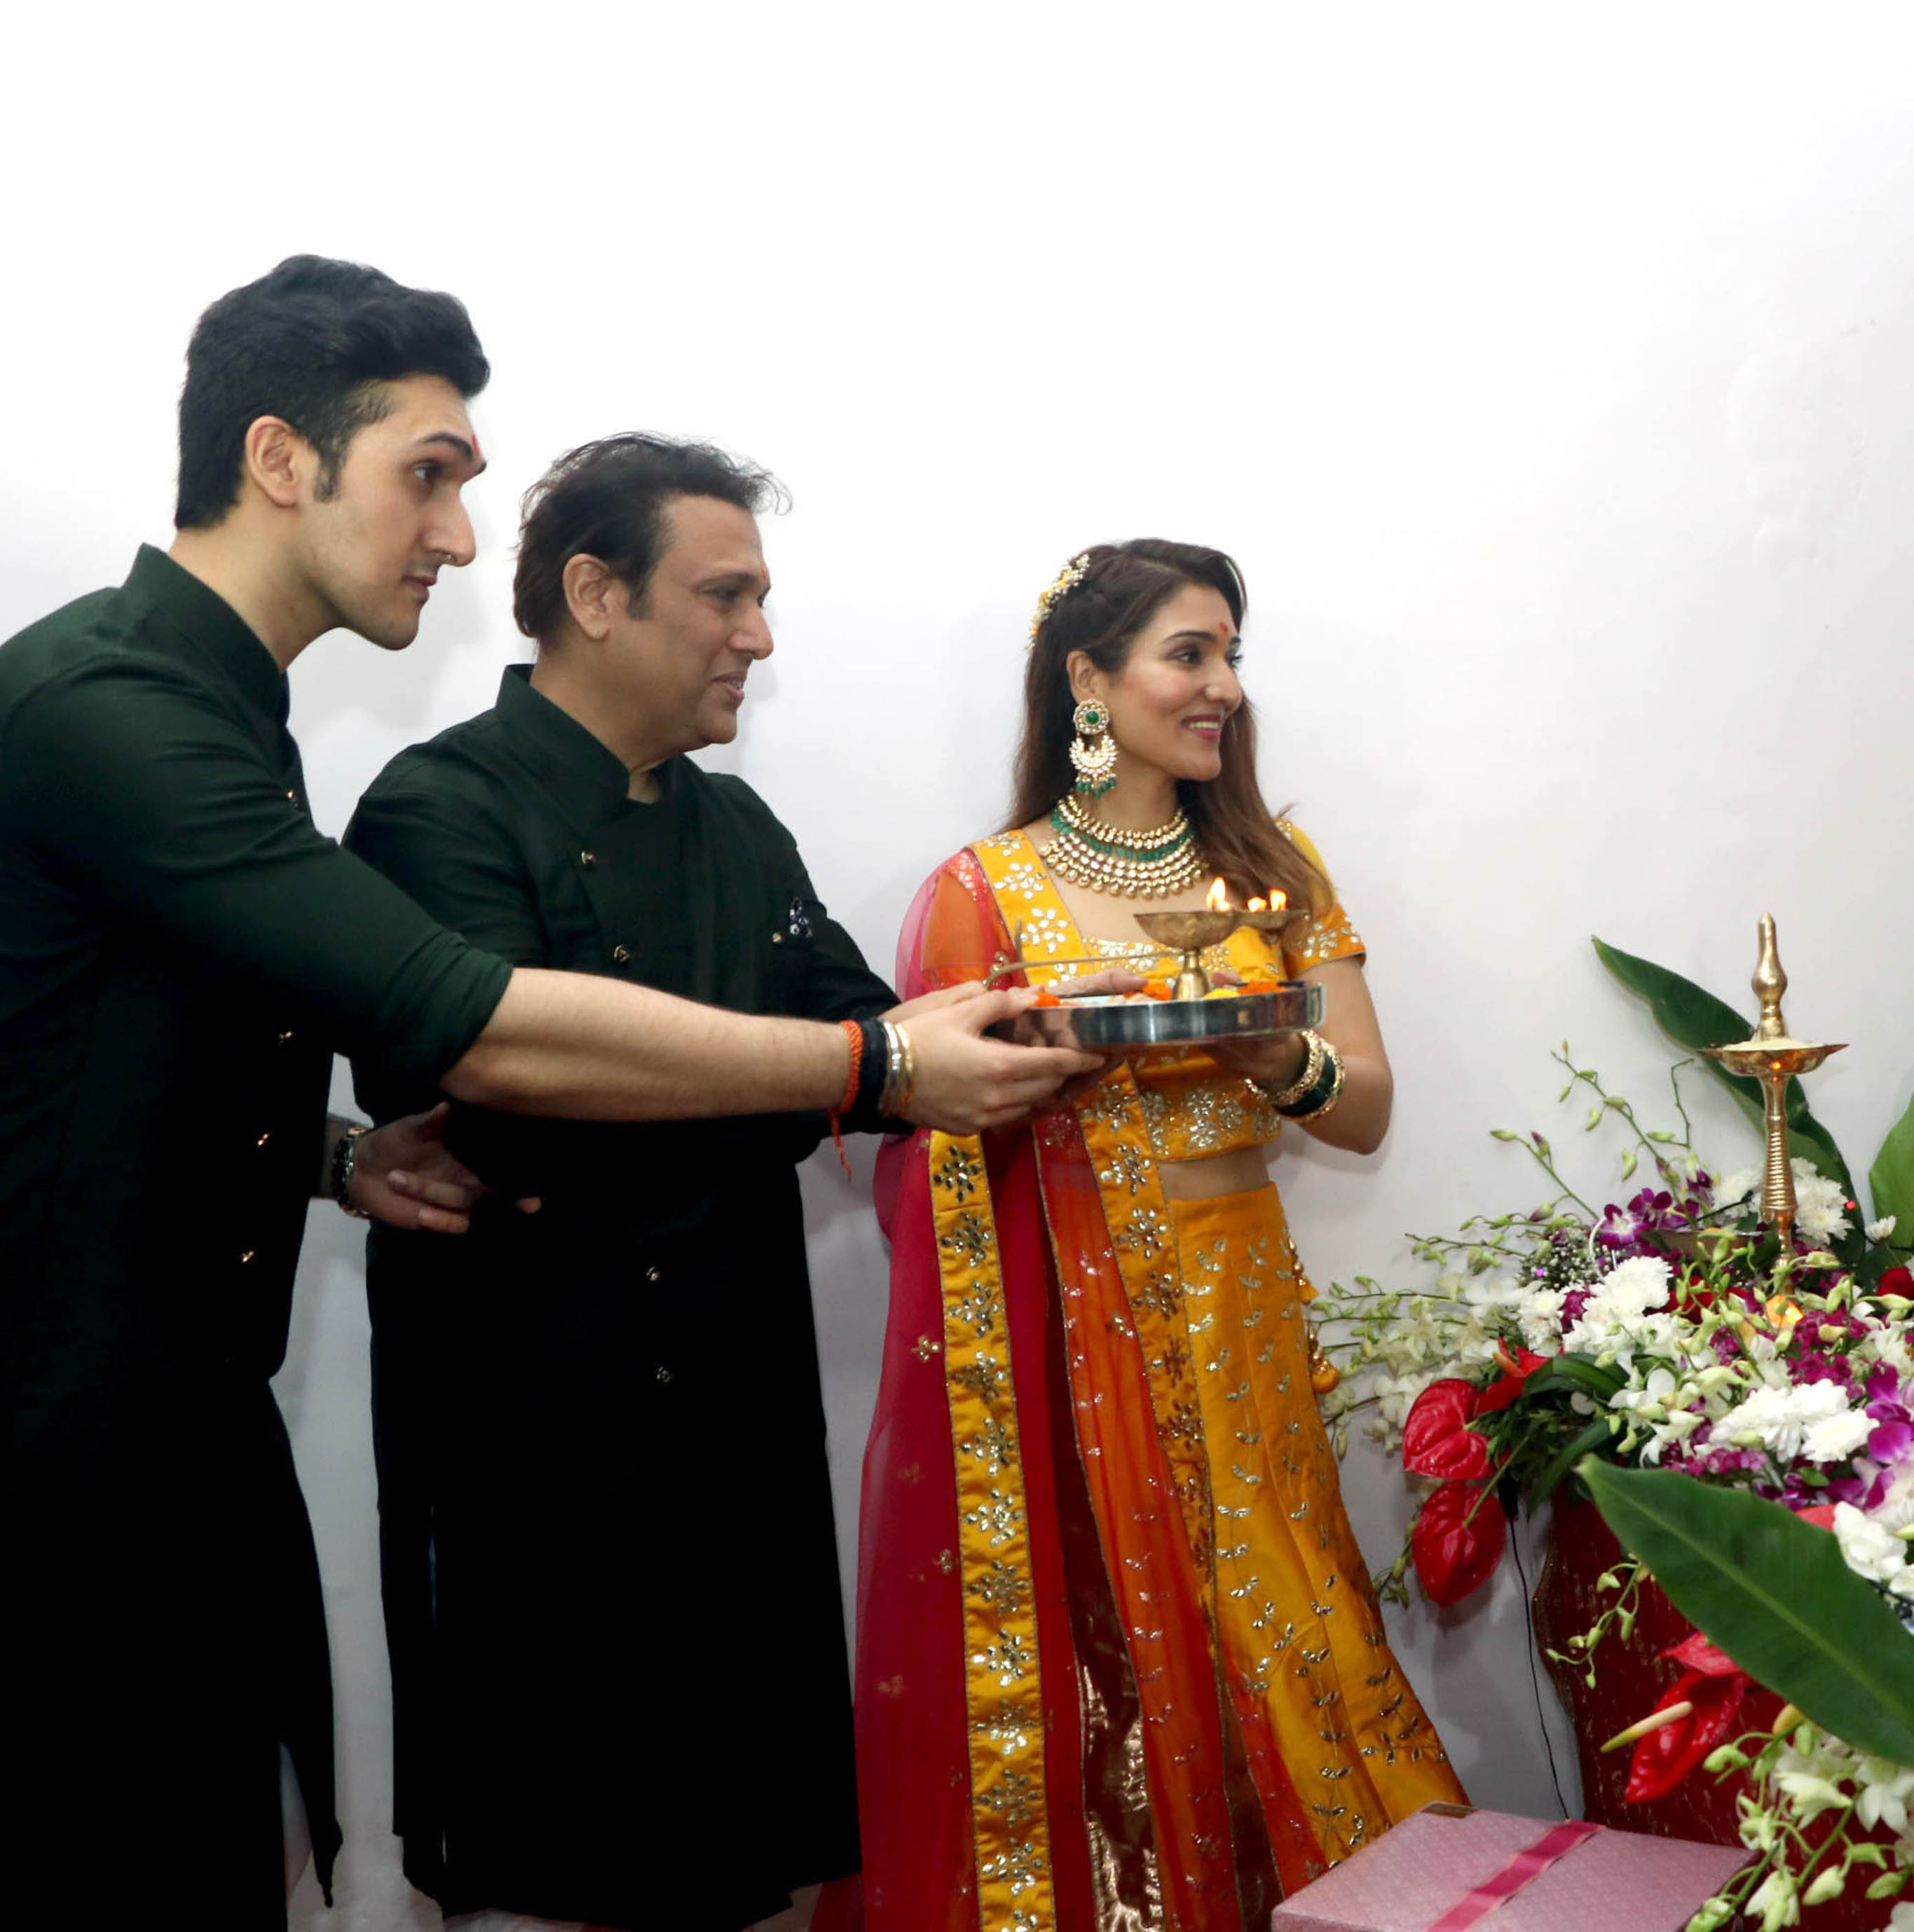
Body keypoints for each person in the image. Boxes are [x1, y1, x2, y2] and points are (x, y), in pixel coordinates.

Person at [0, 257, 1102, 1931]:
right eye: (428, 473)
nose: (456, 534)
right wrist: (871, 1064)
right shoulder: (117, 706)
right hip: (69, 1452)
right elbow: (482, 1030)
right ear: (283, 456)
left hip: (186, 1437)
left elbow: (91, 1039)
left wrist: (325, 1153)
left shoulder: (227, 711)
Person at [833, 542, 1463, 1932]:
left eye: (1233, 656)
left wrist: (1266, 1059)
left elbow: (1362, 1107)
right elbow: (933, 1126)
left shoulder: (1273, 868)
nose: (1223, 687)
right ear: (1088, 679)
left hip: (1240, 1321)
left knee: (1283, 1619)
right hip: (1073, 1339)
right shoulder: (985, 890)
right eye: (1191, 654)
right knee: (1118, 1637)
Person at [343, 435, 905, 1930]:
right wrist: (815, 1072)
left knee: (742, 1860)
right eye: (725, 594)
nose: (760, 637)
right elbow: (518, 1095)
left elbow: (862, 1031)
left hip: (738, 1408)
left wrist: (969, 1040)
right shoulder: (437, 809)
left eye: (763, 598)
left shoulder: (735, 824)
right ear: (594, 593)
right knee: (557, 1857)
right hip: (538, 1425)